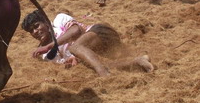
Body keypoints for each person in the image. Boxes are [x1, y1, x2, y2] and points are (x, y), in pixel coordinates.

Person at [22, 10, 154, 77]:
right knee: (96, 64)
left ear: (45, 22)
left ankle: (104, 75)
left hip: (101, 33)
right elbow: (67, 61)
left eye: (36, 26)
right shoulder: (45, 55)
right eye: (31, 31)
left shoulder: (58, 20)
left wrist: (49, 46)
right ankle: (138, 61)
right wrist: (71, 61)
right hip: (98, 51)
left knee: (76, 48)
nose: (35, 31)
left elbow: (76, 30)